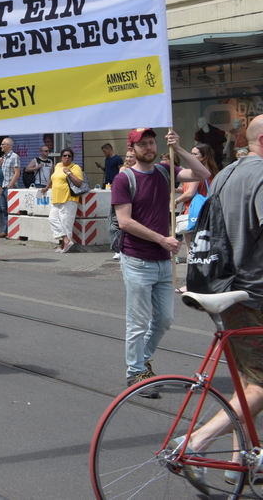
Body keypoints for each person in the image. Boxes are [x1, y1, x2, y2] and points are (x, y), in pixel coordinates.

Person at [178, 116, 263, 488]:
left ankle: (238, 462)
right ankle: (196, 441)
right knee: (260, 383)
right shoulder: (261, 175)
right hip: (253, 292)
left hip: (223, 286)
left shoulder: (227, 173)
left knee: (247, 381)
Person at [113, 128, 208, 395]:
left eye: (151, 142)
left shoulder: (166, 170)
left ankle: (141, 361)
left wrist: (179, 149)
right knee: (138, 322)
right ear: (132, 149)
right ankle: (135, 373)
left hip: (164, 260)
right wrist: (161, 239)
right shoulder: (124, 179)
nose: (149, 147)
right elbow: (124, 222)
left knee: (164, 319)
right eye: (142, 144)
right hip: (137, 259)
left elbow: (202, 174)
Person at [174, 143, 218, 292]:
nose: (191, 156)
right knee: (204, 250)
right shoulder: (211, 171)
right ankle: (205, 281)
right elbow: (189, 189)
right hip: (206, 213)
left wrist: (176, 201)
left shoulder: (198, 172)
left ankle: (191, 283)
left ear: (203, 157)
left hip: (192, 213)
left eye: (195, 154)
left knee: (191, 251)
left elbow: (190, 193)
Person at [40, 148, 85, 253]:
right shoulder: (57, 166)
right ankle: (66, 239)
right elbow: (53, 178)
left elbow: (79, 182)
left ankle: (64, 244)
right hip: (56, 198)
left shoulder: (75, 167)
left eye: (69, 156)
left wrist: (69, 173)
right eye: (65, 155)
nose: (67, 157)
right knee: (52, 219)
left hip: (68, 198)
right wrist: (47, 187)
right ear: (61, 157)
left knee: (66, 223)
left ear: (72, 158)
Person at [0, 138, 20, 235]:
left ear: (8, 145)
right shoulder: (3, 157)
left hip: (10, 187)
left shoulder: (14, 156)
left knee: (11, 210)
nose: (1, 146)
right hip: (3, 186)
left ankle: (12, 231)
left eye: (2, 144)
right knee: (4, 210)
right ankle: (5, 230)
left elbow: (17, 172)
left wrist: (11, 184)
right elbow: (2, 172)